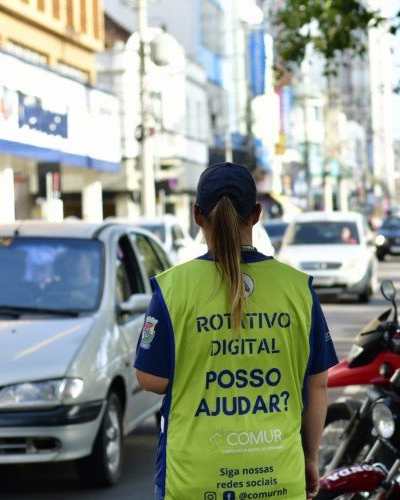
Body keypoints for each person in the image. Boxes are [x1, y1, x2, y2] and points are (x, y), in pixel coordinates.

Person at [134, 162, 338, 500]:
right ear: (257, 214)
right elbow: (318, 384)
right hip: (277, 475)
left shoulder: (172, 290)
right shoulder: (298, 289)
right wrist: (311, 458)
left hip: (192, 478)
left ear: (197, 215)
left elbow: (151, 379)